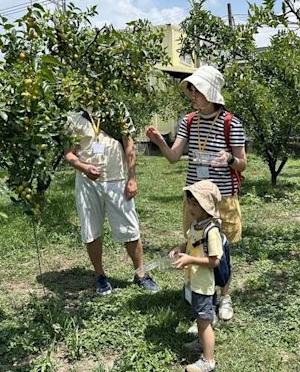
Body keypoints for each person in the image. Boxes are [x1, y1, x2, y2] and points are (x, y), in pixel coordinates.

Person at [146, 65, 246, 321]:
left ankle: (224, 295)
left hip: (221, 198)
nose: (192, 97)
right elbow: (173, 157)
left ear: (210, 93)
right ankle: (200, 292)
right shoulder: (188, 121)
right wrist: (159, 142)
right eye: (191, 92)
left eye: (196, 92)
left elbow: (242, 163)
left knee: (220, 252)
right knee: (195, 244)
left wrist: (230, 160)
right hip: (194, 199)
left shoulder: (231, 124)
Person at [64, 107, 159, 295]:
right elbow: (69, 154)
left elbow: (129, 145)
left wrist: (132, 178)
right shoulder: (72, 116)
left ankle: (141, 274)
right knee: (91, 229)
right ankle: (100, 276)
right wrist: (83, 167)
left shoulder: (117, 109)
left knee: (130, 228)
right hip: (87, 183)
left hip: (117, 180)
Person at [169, 180, 223, 372]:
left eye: (195, 204)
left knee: (204, 321)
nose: (190, 207)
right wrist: (179, 249)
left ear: (207, 206)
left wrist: (190, 260)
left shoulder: (212, 231)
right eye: (190, 202)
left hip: (204, 283)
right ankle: (201, 343)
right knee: (199, 316)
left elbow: (214, 261)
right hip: (194, 282)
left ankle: (208, 361)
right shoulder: (196, 225)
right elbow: (190, 244)